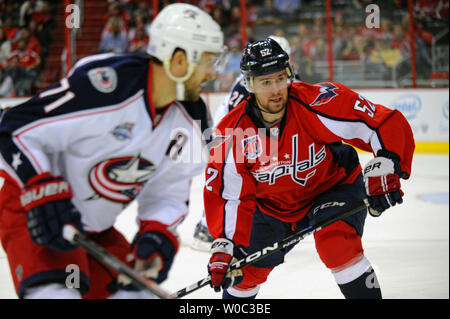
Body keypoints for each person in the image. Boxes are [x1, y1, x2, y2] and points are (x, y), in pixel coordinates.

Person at [0, 3, 224, 299]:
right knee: (57, 294)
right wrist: (41, 188)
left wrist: (155, 235)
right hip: (38, 212)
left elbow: (168, 190)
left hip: (95, 232)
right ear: (180, 60)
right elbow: (15, 127)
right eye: (208, 61)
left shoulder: (190, 118)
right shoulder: (108, 86)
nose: (212, 72)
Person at [204, 38, 414, 299]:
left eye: (280, 78)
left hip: (330, 189)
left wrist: (387, 162)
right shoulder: (231, 133)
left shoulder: (315, 101)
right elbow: (228, 196)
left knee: (337, 245)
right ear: (249, 84)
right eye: (265, 82)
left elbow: (379, 121)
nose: (276, 90)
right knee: (244, 275)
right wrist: (226, 244)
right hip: (271, 208)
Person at [192, 35, 300, 252]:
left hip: (256, 135)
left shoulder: (287, 77)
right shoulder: (246, 83)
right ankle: (206, 228)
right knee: (228, 182)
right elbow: (236, 119)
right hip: (231, 135)